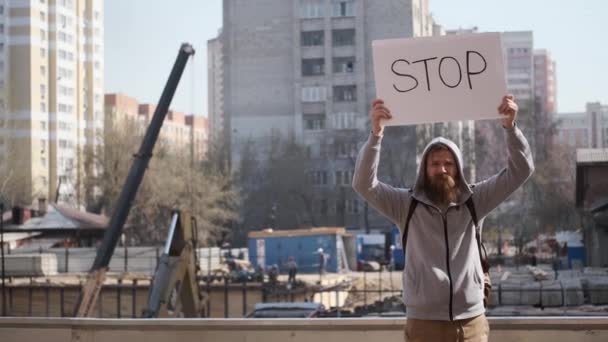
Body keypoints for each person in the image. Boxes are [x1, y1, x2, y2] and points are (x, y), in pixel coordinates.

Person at [352, 95, 534, 342]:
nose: (442, 169)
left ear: (458, 169)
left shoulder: (475, 200)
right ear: (424, 170)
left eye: (448, 163)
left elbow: (521, 171)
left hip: (471, 322)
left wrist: (510, 128)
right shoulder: (406, 205)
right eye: (435, 164)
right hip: (423, 323)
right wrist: (376, 134)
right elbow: (364, 184)